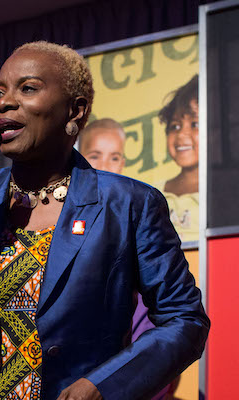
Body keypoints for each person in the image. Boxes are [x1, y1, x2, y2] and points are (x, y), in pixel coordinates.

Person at [0, 42, 209, 400]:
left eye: (29, 88)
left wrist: (103, 386)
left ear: (75, 111)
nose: (4, 102)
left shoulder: (128, 204)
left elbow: (184, 320)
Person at [80, 119, 180, 400]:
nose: (105, 165)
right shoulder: (60, 213)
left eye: (114, 157)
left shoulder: (139, 209)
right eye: (95, 155)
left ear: (123, 162)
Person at [158, 75, 199, 242]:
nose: (181, 134)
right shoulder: (154, 193)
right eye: (175, 126)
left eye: (195, 124)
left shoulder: (222, 192)